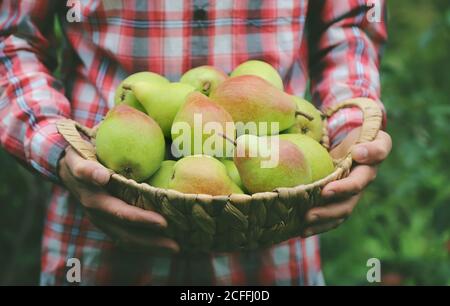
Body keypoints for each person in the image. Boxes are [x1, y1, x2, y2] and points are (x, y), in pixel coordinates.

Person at [0, 0, 392, 285]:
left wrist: (350, 127)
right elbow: (11, 37)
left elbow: (351, 23)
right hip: (98, 234)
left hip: (276, 241)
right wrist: (57, 147)